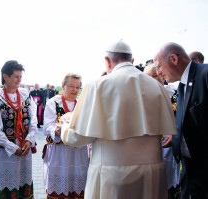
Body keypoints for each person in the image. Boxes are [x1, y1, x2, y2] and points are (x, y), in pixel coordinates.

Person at [60, 40, 177, 199]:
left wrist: (65, 126)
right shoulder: (158, 87)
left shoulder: (97, 86)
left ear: (107, 62)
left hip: (112, 176)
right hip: (152, 174)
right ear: (132, 61)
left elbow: (78, 138)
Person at [154, 42, 208, 198]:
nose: (158, 72)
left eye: (159, 66)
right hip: (190, 169)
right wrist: (177, 137)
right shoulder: (181, 87)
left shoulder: (205, 75)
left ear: (173, 59)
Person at [0, 60, 37, 199]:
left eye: (20, 77)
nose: (19, 80)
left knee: (22, 181)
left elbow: (33, 120)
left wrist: (29, 140)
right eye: (16, 76)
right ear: (5, 76)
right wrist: (12, 147)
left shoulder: (26, 96)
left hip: (24, 148)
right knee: (4, 183)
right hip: (3, 152)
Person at [42, 73, 89, 198]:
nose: (74, 90)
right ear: (63, 86)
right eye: (71, 86)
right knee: (58, 190)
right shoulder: (53, 103)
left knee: (77, 189)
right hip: (59, 152)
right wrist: (57, 130)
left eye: (77, 87)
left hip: (78, 153)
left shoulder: (82, 105)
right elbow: (47, 127)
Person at [143, 63, 181, 199]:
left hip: (170, 137)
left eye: (157, 75)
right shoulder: (143, 96)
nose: (155, 79)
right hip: (151, 139)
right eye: (151, 76)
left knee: (169, 168)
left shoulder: (173, 92)